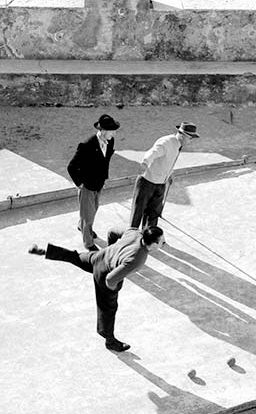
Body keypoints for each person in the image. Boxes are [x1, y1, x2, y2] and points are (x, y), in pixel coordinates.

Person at [28, 226, 165, 352]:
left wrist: (112, 250)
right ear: (153, 245)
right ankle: (110, 341)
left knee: (75, 257)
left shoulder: (135, 232)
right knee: (108, 308)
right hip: (104, 273)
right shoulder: (138, 258)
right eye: (161, 242)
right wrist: (113, 289)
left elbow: (112, 232)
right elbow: (110, 279)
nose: (163, 243)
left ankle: (45, 252)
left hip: (99, 256)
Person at [130, 122, 199, 229]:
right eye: (190, 138)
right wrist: (145, 163)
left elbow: (167, 161)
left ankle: (149, 239)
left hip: (161, 184)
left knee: (153, 215)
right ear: (182, 135)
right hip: (147, 182)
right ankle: (131, 238)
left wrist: (169, 174)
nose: (191, 141)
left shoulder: (178, 145)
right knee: (138, 213)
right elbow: (153, 152)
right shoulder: (167, 142)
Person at [67, 114, 120, 251]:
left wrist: (104, 177)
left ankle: (82, 226)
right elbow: (71, 167)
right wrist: (80, 184)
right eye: (112, 130)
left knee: (93, 209)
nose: (114, 133)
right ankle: (88, 242)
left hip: (99, 183)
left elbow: (105, 160)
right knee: (88, 215)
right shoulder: (86, 146)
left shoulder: (110, 141)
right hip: (87, 186)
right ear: (102, 131)